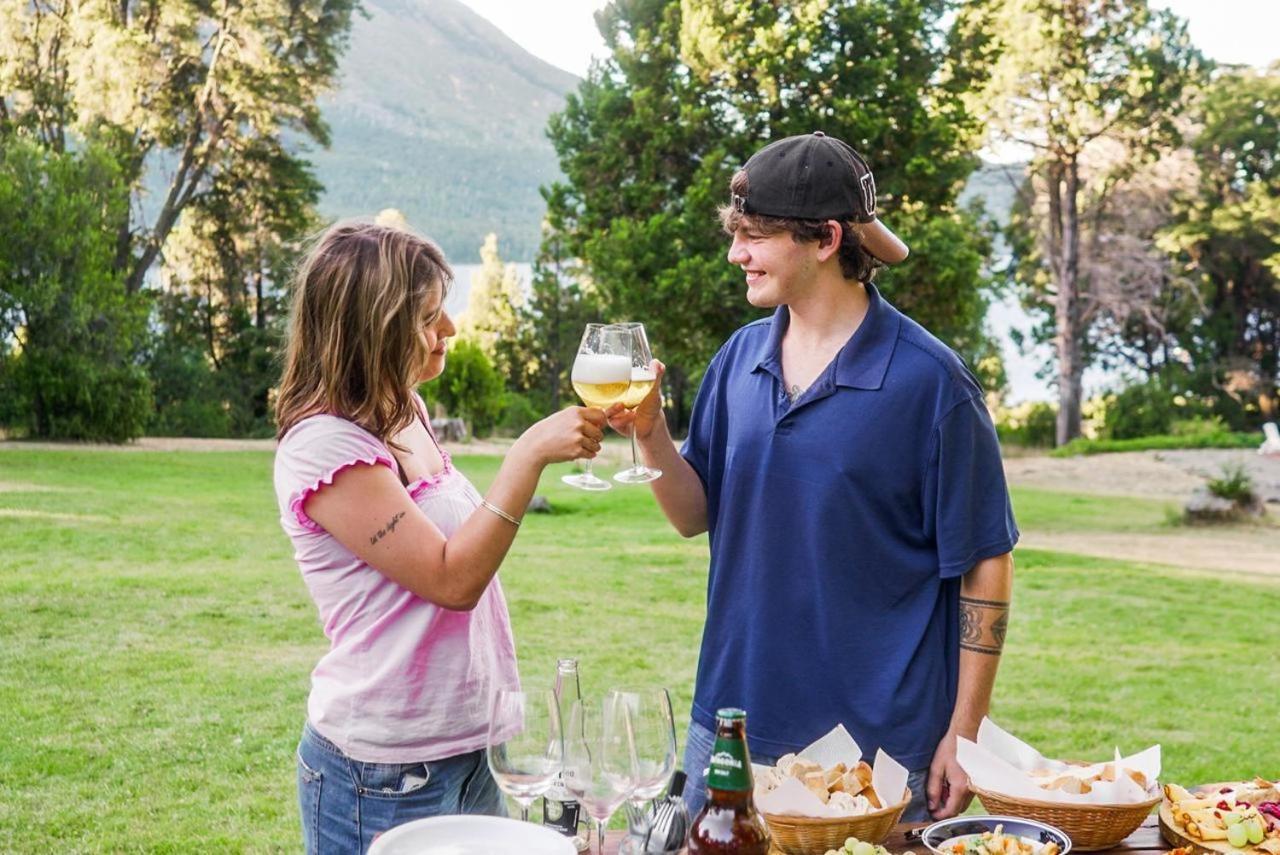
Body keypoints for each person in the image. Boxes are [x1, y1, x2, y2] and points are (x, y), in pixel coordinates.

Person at [611, 132, 1017, 822]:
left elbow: (986, 561)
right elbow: (692, 513)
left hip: (876, 755)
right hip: (731, 732)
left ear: (827, 238)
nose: (736, 253)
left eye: (754, 235)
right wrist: (650, 430)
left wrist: (965, 732)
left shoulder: (933, 384)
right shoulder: (739, 358)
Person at [272, 221, 608, 853]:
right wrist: (527, 454)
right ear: (372, 330)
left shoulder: (405, 409)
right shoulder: (325, 447)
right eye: (428, 317)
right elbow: (452, 579)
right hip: (384, 774)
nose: (449, 329)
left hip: (466, 750)